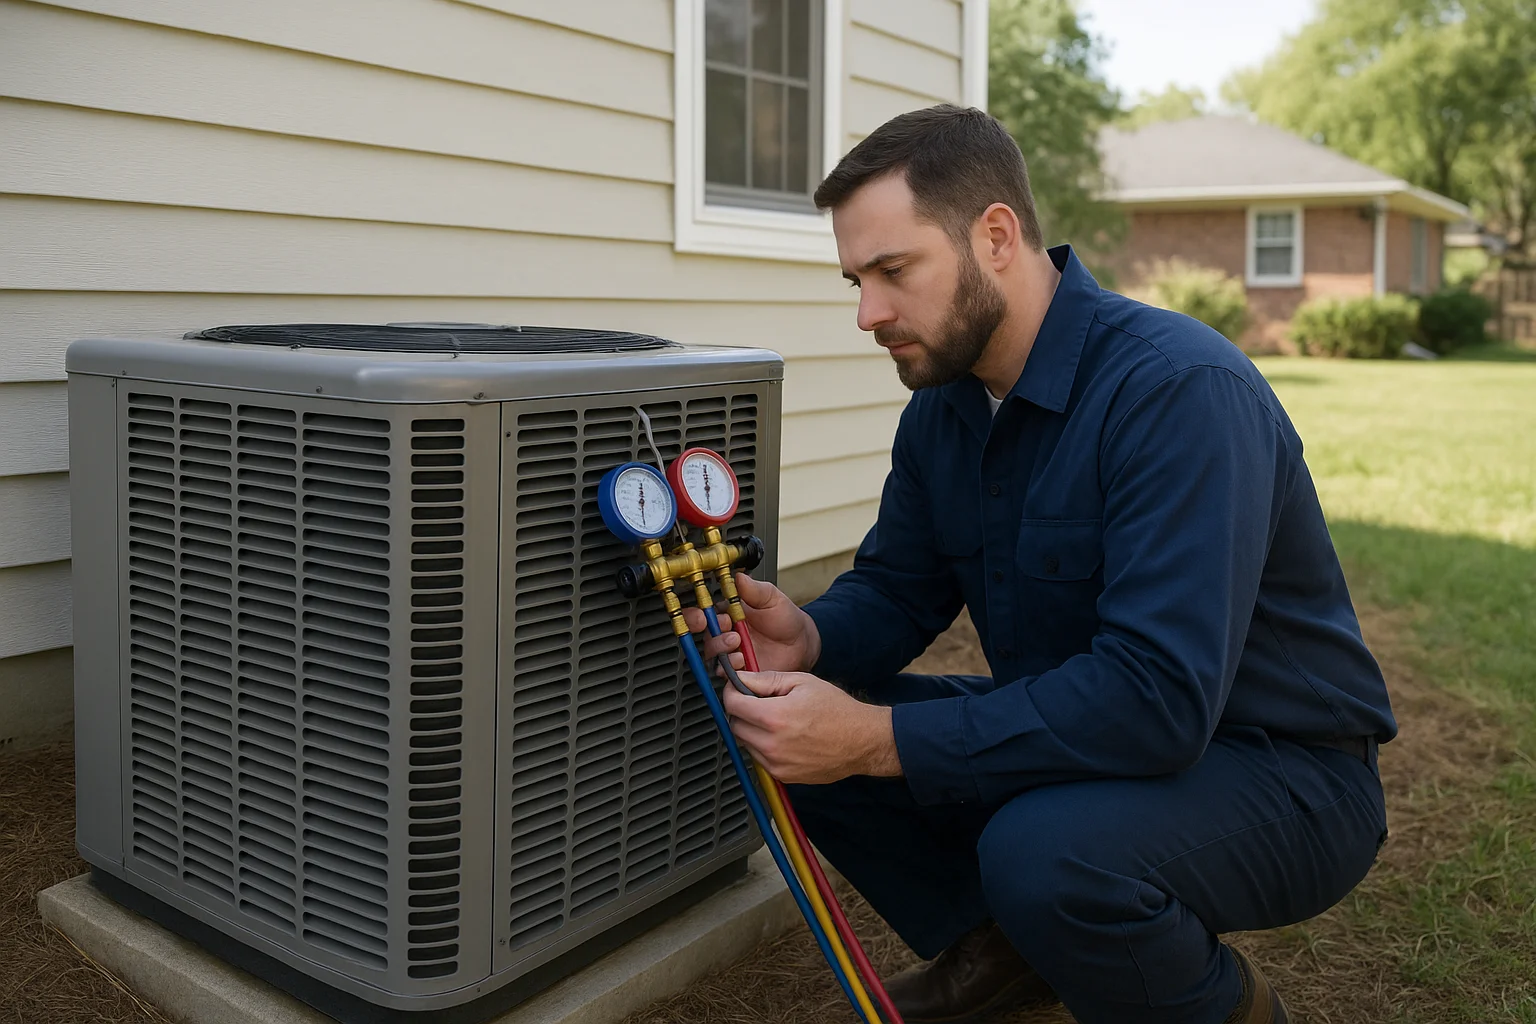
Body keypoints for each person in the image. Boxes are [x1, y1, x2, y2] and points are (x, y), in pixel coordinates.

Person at [686, 104, 1394, 1024]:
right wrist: (809, 640)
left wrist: (875, 739)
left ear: (995, 237)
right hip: (1097, 737)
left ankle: (1223, 1008)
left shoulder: (1178, 392)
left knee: (1044, 851)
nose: (868, 314)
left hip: (1282, 772)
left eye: (894, 271)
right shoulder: (945, 409)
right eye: (857, 280)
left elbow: (1158, 699)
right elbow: (898, 589)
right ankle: (1011, 946)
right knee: (781, 721)